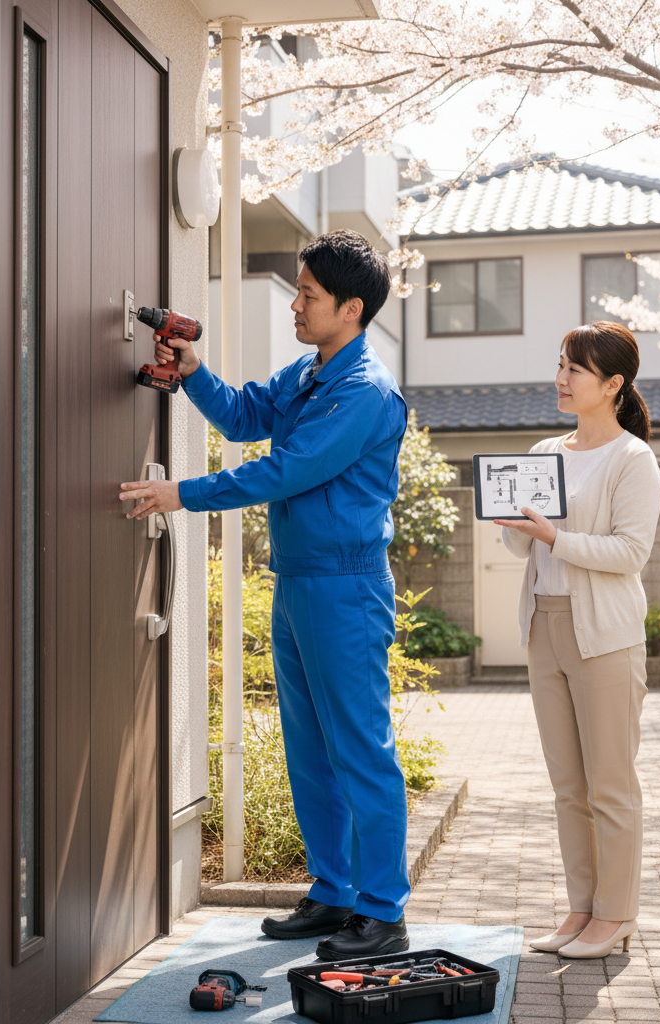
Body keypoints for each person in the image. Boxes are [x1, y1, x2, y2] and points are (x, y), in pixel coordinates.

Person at [118, 230, 410, 961]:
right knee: (310, 748)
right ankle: (334, 893)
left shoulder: (365, 394)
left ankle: (383, 912)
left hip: (346, 588)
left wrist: (178, 494)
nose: (297, 304)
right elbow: (246, 416)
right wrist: (193, 371)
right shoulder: (311, 375)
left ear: (351, 308)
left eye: (309, 295)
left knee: (360, 750)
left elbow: (285, 471)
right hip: (301, 585)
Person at [495, 322, 660, 959]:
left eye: (576, 370)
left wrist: (553, 536)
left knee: (610, 785)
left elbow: (629, 553)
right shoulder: (545, 450)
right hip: (545, 625)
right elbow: (522, 544)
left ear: (613, 384)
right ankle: (581, 910)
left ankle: (616, 916)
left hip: (606, 637)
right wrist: (514, 522)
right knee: (568, 784)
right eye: (560, 365)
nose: (561, 379)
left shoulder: (632, 459)